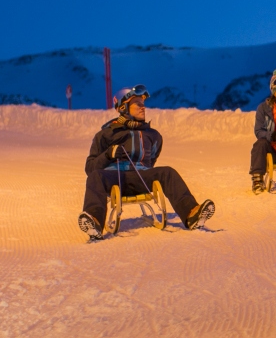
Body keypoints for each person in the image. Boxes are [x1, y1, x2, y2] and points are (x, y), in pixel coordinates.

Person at [77, 85, 216, 239]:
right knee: (96, 176)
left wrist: (143, 169)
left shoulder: (153, 135)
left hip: (141, 178)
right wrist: (108, 155)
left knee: (167, 172)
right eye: (138, 104)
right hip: (114, 179)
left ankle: (192, 214)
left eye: (143, 104)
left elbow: (152, 160)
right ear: (123, 107)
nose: (143, 108)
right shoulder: (106, 134)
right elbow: (90, 168)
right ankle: (95, 222)